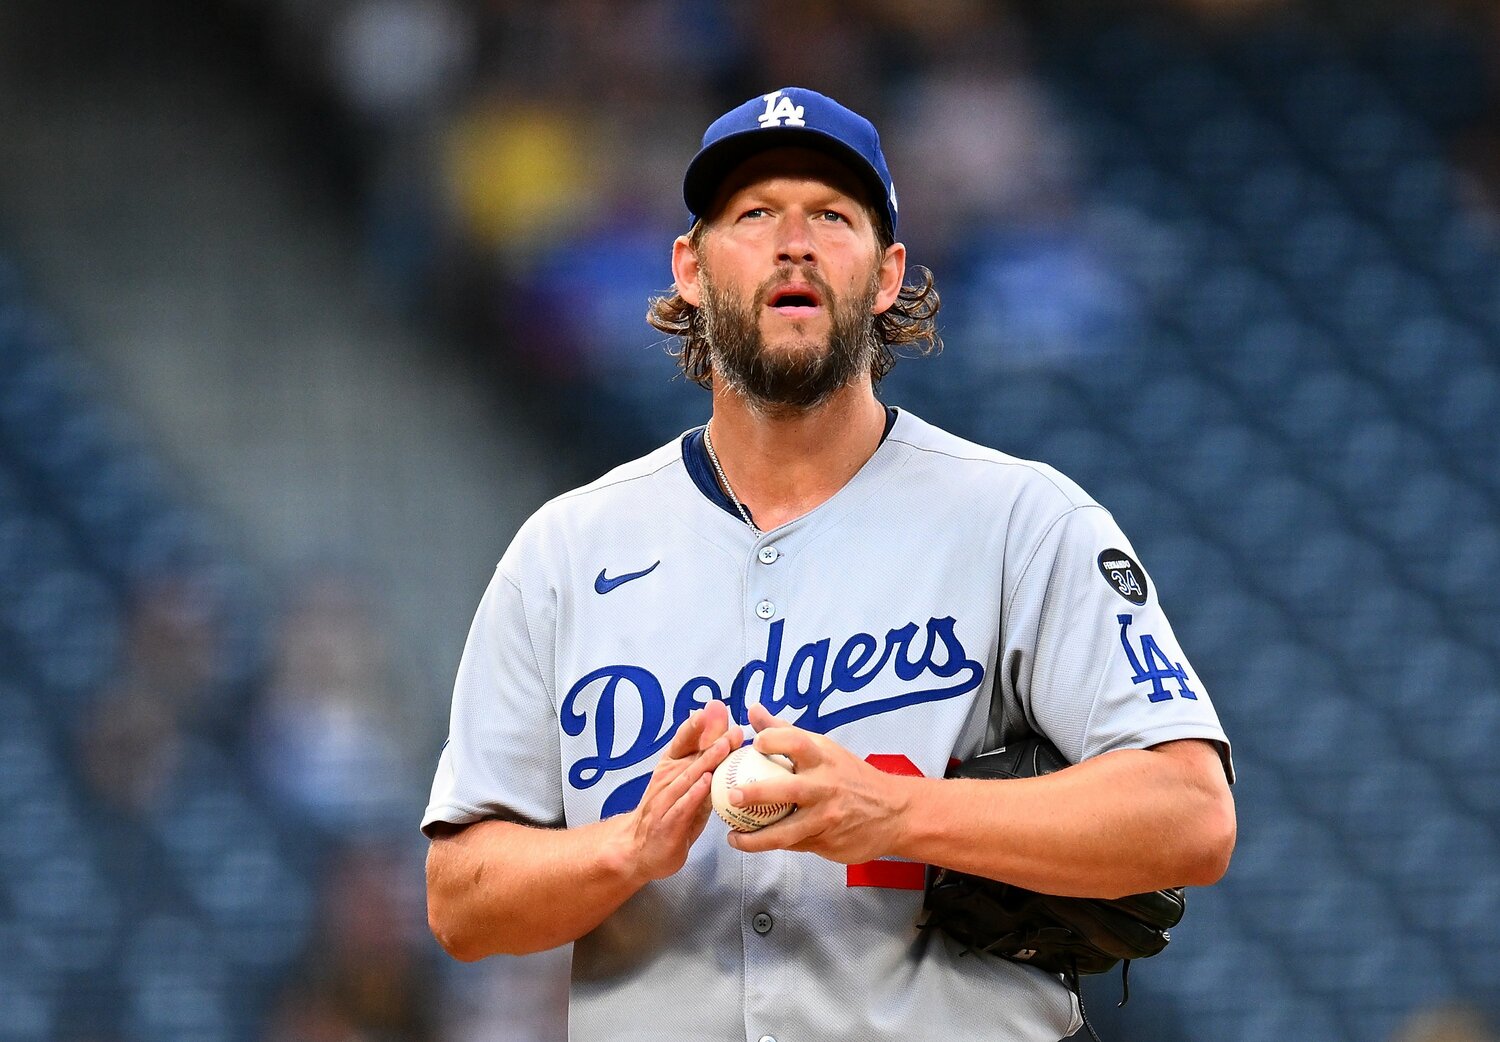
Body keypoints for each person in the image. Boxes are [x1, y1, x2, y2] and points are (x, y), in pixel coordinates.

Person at [423, 86, 1236, 1042]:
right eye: (755, 214)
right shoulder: (565, 553)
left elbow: (1192, 814)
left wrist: (895, 813)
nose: (793, 243)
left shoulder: (1022, 521)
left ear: (887, 274)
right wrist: (627, 849)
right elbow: (460, 900)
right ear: (690, 268)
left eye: (832, 216)